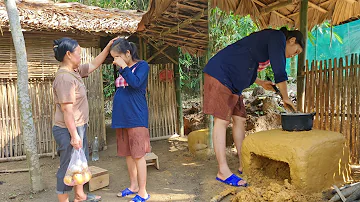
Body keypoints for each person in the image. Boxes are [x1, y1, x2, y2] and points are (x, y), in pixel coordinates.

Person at [203, 27, 304, 187]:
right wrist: (285, 97)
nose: (293, 55)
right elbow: (279, 70)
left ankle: (244, 163)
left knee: (240, 120)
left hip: (234, 83)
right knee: (221, 121)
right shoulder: (277, 37)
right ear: (291, 40)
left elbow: (246, 61)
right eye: (296, 51)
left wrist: (261, 82)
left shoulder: (267, 43)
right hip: (221, 74)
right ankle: (223, 171)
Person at [52, 36, 117, 202]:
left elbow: (94, 64)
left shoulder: (74, 72)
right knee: (67, 165)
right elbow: (67, 110)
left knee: (78, 163)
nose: (80, 57)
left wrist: (108, 47)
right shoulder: (64, 79)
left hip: (78, 126)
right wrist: (74, 135)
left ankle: (80, 196)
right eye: (79, 53)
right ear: (68, 54)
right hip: (67, 129)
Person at [110, 38, 151, 202]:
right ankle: (133, 185)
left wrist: (124, 67)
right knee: (128, 153)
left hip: (136, 116)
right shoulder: (123, 69)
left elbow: (135, 83)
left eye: (117, 57)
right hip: (122, 117)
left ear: (127, 53)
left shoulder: (142, 66)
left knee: (138, 154)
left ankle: (143, 192)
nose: (115, 61)